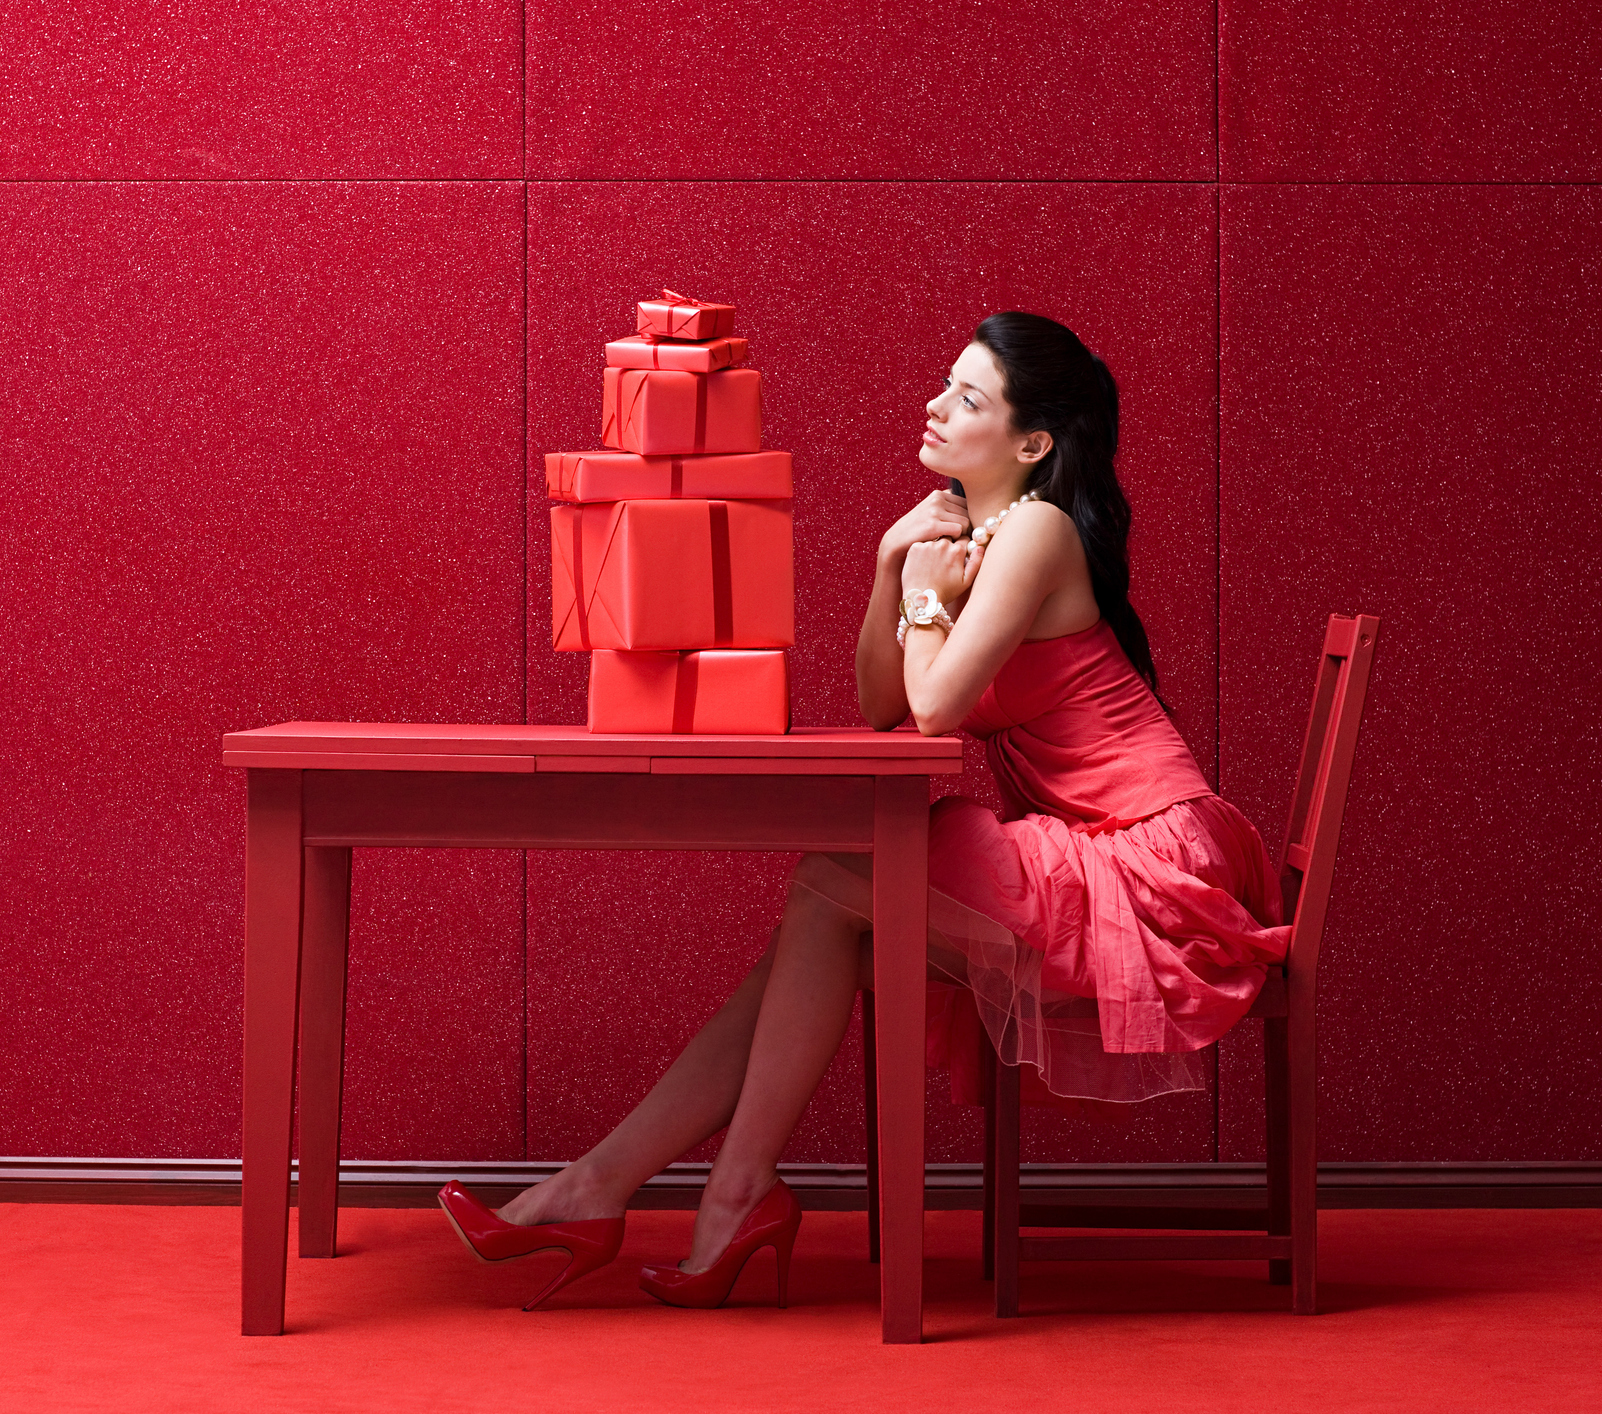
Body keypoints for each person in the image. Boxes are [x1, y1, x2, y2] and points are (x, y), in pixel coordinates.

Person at [438, 312, 1292, 1311]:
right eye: (946, 384)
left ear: (1031, 445)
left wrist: (922, 595)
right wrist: (892, 564)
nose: (936, 406)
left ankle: (689, 1193)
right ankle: (628, 1188)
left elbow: (932, 708)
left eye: (968, 398)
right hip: (1093, 851)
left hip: (1151, 865)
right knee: (820, 917)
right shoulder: (970, 537)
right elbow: (883, 703)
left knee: (829, 886)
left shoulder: (1036, 532)